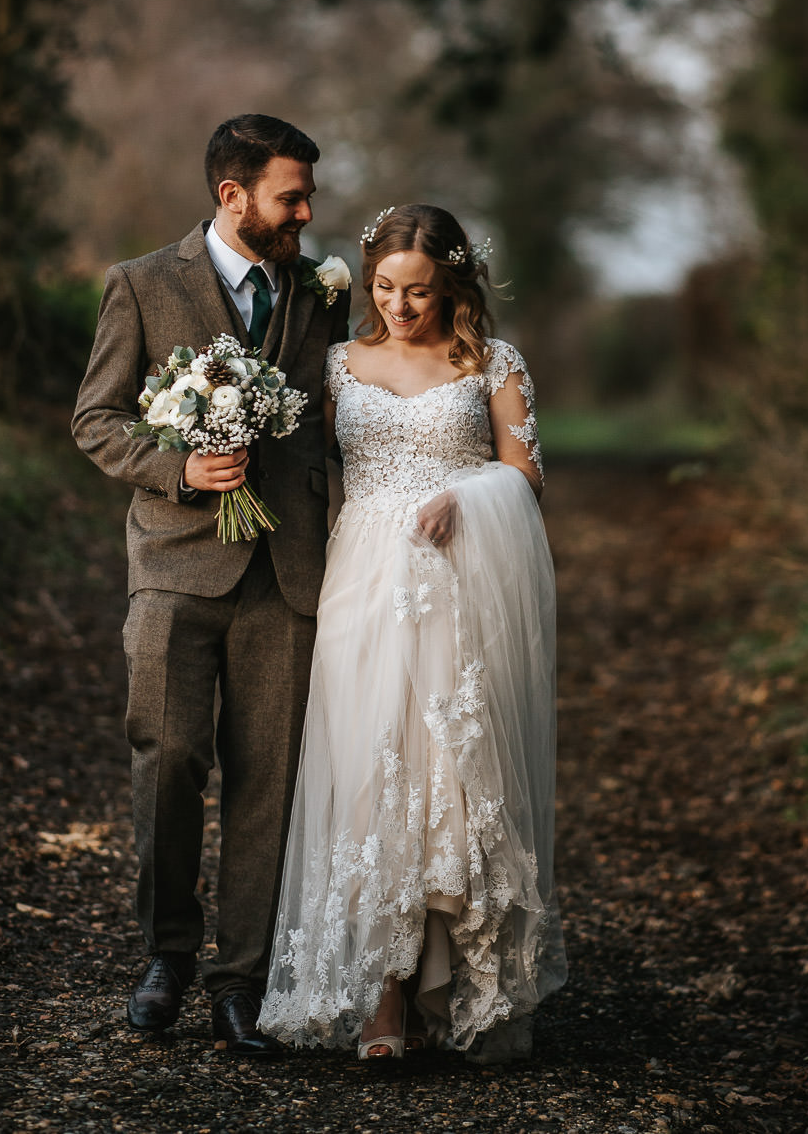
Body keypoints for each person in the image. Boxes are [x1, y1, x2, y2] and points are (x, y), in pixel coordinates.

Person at [72, 115, 350, 1059]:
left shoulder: (322, 293)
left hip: (290, 569)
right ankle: (166, 955)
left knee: (269, 778)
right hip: (175, 566)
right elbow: (96, 419)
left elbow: (339, 425)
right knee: (170, 755)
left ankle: (243, 979)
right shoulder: (143, 285)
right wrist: (179, 468)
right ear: (232, 195)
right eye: (291, 196)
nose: (308, 214)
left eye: (308, 195)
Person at [259, 204, 564, 1059]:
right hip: (360, 585)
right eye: (385, 287)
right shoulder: (335, 364)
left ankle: (462, 985)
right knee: (370, 771)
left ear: (454, 283)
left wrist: (465, 495)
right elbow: (296, 469)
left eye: (419, 290)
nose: (398, 305)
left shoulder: (491, 363)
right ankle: (382, 997)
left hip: (458, 584)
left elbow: (527, 473)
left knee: (453, 782)